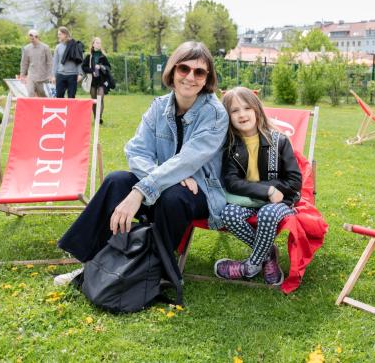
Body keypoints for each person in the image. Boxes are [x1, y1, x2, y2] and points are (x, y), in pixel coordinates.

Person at [54, 41, 229, 286]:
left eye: (199, 72)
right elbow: (136, 150)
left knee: (173, 196)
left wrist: (142, 190)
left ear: (207, 77)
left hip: (201, 191)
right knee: (117, 180)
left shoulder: (214, 113)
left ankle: (152, 270)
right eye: (184, 69)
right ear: (172, 70)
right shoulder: (159, 106)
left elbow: (189, 159)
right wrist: (160, 177)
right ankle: (90, 262)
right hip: (164, 181)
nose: (191, 77)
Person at [214, 87, 302, 286]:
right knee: (228, 214)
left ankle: (249, 267)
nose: (242, 114)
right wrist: (266, 190)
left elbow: (295, 181)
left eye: (246, 108)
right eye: (234, 111)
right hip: (249, 199)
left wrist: (273, 192)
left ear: (257, 110)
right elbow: (232, 182)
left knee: (267, 215)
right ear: (228, 116)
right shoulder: (230, 146)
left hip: (281, 201)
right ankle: (268, 254)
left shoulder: (279, 141)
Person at [82, 37, 112, 124]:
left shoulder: (103, 56)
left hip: (102, 81)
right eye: (97, 43)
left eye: (100, 43)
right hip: (92, 81)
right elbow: (84, 67)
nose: (99, 44)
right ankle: (96, 118)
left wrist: (101, 67)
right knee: (94, 100)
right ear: (93, 44)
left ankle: (99, 118)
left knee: (100, 98)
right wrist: (92, 71)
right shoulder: (89, 56)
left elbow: (108, 67)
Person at [51, 26, 82, 98]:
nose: (58, 36)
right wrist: (53, 75)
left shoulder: (75, 45)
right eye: (58, 34)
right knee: (59, 97)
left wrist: (80, 73)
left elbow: (79, 60)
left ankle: (71, 110)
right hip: (60, 75)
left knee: (71, 97)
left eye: (60, 34)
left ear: (65, 34)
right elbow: (55, 62)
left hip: (72, 75)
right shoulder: (58, 47)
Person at [19, 29, 52, 97]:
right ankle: (30, 107)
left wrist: (50, 75)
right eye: (30, 38)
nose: (31, 40)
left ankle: (43, 106)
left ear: (37, 37)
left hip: (42, 77)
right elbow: (24, 63)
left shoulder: (45, 48)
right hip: (31, 76)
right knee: (30, 93)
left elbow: (50, 62)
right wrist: (22, 75)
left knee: (42, 95)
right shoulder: (26, 48)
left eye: (33, 38)